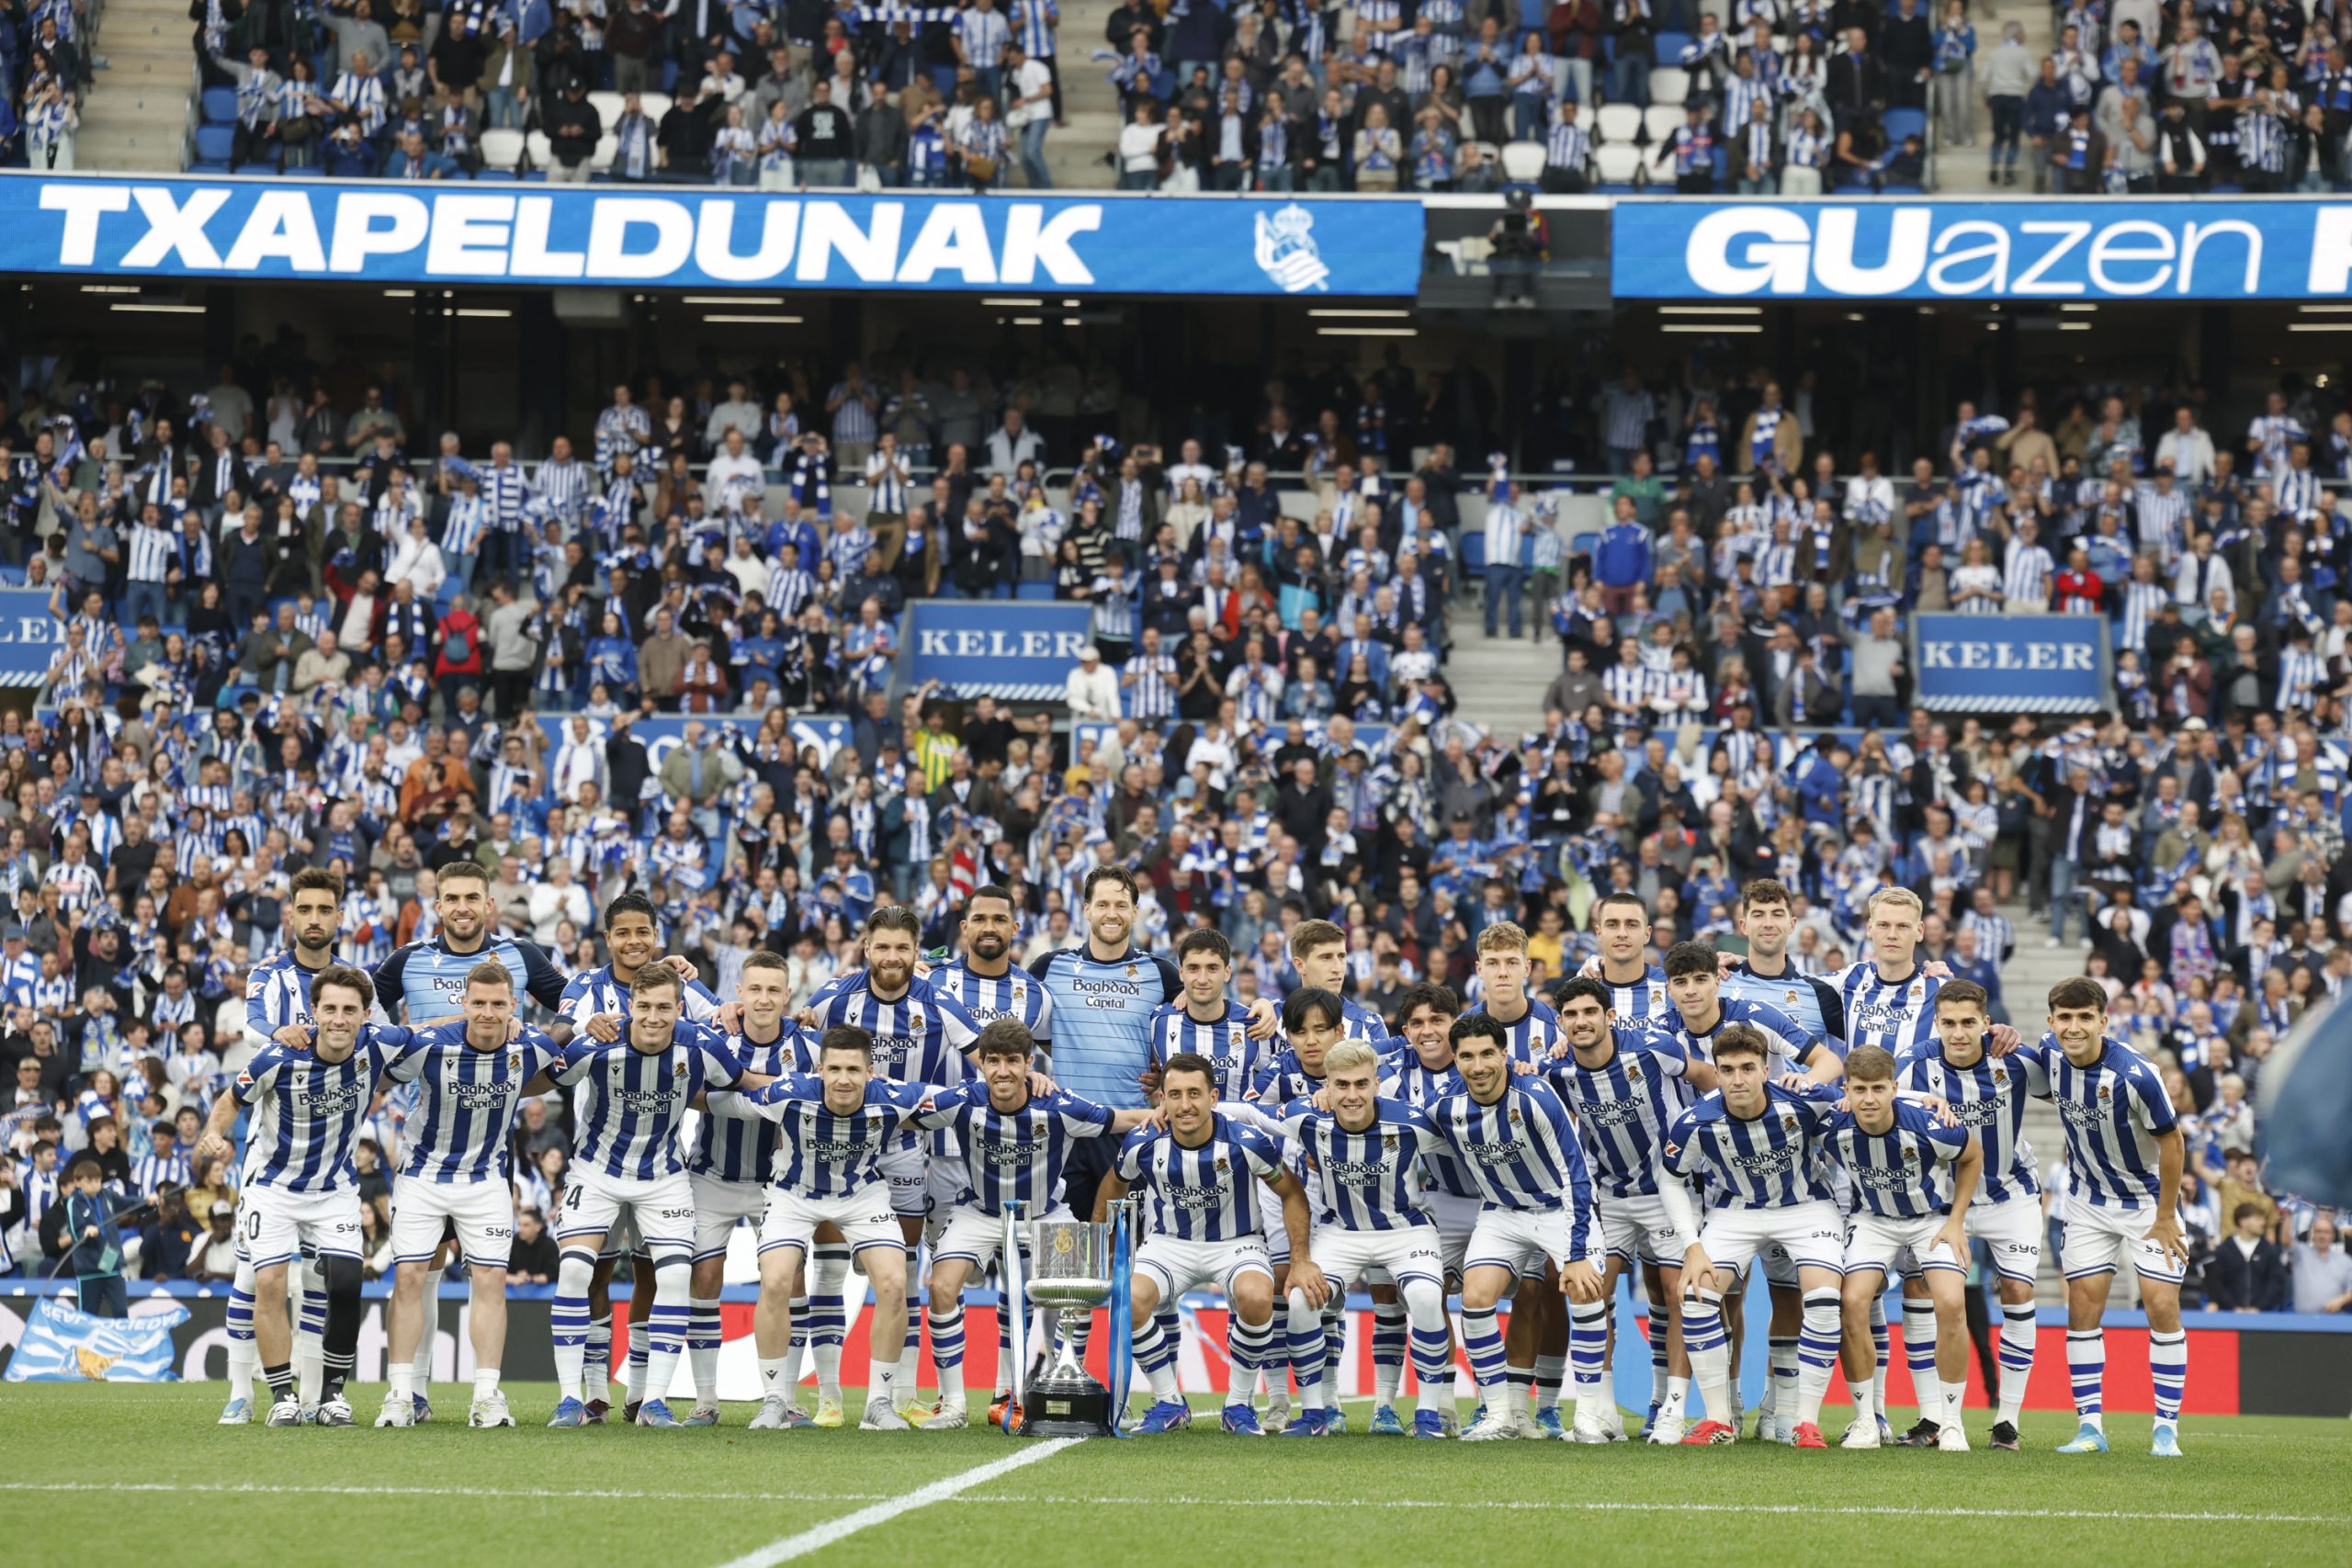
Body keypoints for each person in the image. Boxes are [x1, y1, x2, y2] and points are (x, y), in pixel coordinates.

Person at [545, 965, 763, 1428]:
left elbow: (741, 1081)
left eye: (664, 1007)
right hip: (597, 1171)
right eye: (644, 1007)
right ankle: (570, 1399)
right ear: (630, 1008)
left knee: (675, 1276)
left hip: (663, 1175)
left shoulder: (702, 1046)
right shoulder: (596, 1045)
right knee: (575, 1269)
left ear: (679, 1009)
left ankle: (653, 1403)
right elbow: (543, 1078)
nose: (654, 1016)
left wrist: (814, 1084)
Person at [708, 1024, 941, 1430]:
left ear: (871, 1071)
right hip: (792, 1194)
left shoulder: (895, 1098)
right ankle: (775, 1399)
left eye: (853, 1069)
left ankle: (878, 1403)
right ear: (820, 1069)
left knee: (893, 1282)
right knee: (777, 1281)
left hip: (862, 1195)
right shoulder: (789, 1093)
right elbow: (729, 1102)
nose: (843, 1079)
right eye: (834, 1069)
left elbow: (960, 1101)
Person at [799, 906, 982, 1423]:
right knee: (831, 1270)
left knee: (901, 1272)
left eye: (903, 948)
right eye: (883, 947)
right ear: (866, 949)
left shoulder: (938, 1001)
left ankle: (902, 1396)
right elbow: (797, 1040)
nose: (893, 957)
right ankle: (830, 1398)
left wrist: (1027, 1078)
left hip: (904, 1152)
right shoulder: (836, 996)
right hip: (840, 1150)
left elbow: (985, 1059)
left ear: (916, 952)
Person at [918, 1019, 1148, 1426]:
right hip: (980, 1213)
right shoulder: (961, 1102)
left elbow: (1122, 1119)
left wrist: (1169, 1111)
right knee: (941, 1287)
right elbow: (900, 1111)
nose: (1002, 1071)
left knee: (1078, 1293)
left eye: (1012, 1061)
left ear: (1029, 1064)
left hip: (1046, 1213)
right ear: (981, 1065)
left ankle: (1065, 1385)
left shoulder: (1059, 1107)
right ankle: (953, 1404)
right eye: (992, 1061)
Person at [192, 964, 393, 1427]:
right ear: (314, 1012)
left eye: (349, 1010)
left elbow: (430, 1030)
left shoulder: (379, 1044)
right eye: (330, 1009)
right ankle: (280, 1395)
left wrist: (501, 1022)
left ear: (365, 1015)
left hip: (334, 1190)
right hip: (274, 1189)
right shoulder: (278, 1056)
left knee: (346, 1281)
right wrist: (213, 1133)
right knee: (268, 1283)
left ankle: (330, 1398)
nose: (339, 1019)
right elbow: (231, 1099)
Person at [372, 960, 562, 1429]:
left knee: (491, 1282)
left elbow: (567, 1061)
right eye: (478, 1002)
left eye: (498, 1004)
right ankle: (400, 1394)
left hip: (486, 1182)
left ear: (514, 1005)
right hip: (422, 1178)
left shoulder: (531, 1046)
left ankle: (486, 1396)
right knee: (410, 1279)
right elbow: (374, 1054)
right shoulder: (429, 1045)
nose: (488, 1012)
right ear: (464, 1003)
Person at [1096, 1048, 1313, 1434]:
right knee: (1128, 1299)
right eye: (1174, 1094)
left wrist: (1299, 1259)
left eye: (1194, 1093)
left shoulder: (1247, 1141)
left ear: (1213, 1098)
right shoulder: (1142, 1142)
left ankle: (1238, 1404)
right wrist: (1105, 1249)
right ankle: (1169, 1402)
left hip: (1236, 1242)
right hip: (1169, 1244)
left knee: (1257, 1296)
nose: (1185, 1104)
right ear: (1161, 1098)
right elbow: (1112, 1186)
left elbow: (1292, 1193)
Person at [1657, 1023, 1851, 1447]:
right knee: (1695, 1296)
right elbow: (1671, 1180)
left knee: (1821, 1300)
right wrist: (1691, 1246)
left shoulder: (1804, 1101)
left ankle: (1805, 1420)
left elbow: (1862, 1102)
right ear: (1718, 1072)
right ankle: (1719, 1420)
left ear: (1766, 1070)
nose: (1737, 1079)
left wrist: (1920, 1100)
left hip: (1806, 1207)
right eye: (1727, 1069)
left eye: (1748, 1068)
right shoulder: (1696, 1121)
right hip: (1736, 1212)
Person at [1543, 975, 1716, 1442]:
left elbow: (1706, 1079)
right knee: (1590, 1291)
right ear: (1560, 1024)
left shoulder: (1653, 1048)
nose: (1581, 1022)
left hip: (1667, 1192)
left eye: (1590, 1012)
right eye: (1572, 1016)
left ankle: (1672, 1409)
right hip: (1608, 1197)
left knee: (1678, 1294)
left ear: (1609, 1016)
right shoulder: (1556, 1071)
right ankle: (1602, 1414)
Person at [2037, 976, 2192, 1457]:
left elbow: (2173, 1141)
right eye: (2066, 1017)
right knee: (2082, 1308)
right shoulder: (2048, 1055)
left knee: (2160, 1304)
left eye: (2085, 1017)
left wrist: (2166, 1215)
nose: (2075, 1026)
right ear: (2052, 1022)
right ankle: (2091, 1428)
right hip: (2086, 1202)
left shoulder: (2136, 1074)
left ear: (2104, 1021)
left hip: (2147, 1204)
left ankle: (2166, 1428)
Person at [1438, 1012, 1609, 1442]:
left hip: (1559, 1208)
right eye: (1467, 1057)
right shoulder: (1444, 1106)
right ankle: (1499, 1415)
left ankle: (1588, 1416)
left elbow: (1575, 1176)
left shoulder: (1536, 1097)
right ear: (1455, 1060)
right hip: (1502, 1212)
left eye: (1487, 1054)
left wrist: (1574, 1255)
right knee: (1475, 1297)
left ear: (1504, 1055)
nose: (1478, 1066)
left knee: (1586, 1290)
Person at [1897, 980, 2047, 1450]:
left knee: (2019, 1290)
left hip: (2011, 1195)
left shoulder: (2019, 1061)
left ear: (1987, 1022)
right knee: (1922, 1288)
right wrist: (1919, 1101)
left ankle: (2007, 1421)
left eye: (1968, 1023)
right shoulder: (1914, 1065)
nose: (1958, 1033)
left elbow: (2072, 1083)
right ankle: (1932, 1418)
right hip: (1944, 1202)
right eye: (1948, 1023)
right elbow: (1873, 1098)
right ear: (1936, 1023)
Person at [1818, 1043, 1983, 1451]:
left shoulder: (1930, 1123)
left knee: (1951, 1303)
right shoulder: (1831, 1126)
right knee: (1852, 1302)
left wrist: (1957, 1221)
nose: (1869, 1099)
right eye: (1859, 1090)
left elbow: (1973, 1155)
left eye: (1878, 1088)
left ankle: (1951, 1422)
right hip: (1872, 1220)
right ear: (1846, 1090)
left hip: (1930, 1220)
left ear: (1894, 1088)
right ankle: (1864, 1422)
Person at [682, 951, 812, 1425]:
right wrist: (757, 1099)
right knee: (704, 1279)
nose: (763, 999)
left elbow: (818, 1091)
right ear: (739, 992)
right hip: (710, 1177)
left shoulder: (808, 1045)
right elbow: (687, 1092)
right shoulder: (714, 1036)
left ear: (787, 996)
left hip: (776, 1186)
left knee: (789, 1282)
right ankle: (705, 1400)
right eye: (754, 989)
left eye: (773, 991)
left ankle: (785, 1397)